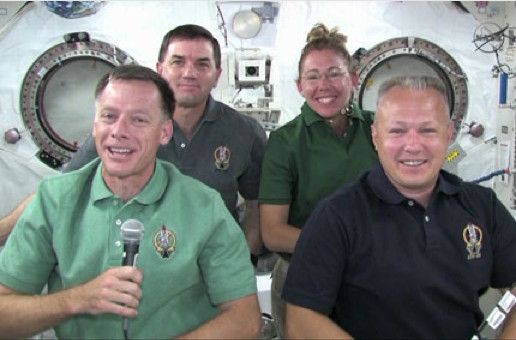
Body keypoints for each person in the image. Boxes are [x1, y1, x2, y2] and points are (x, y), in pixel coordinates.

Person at [0, 65, 261, 339]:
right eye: (109, 116)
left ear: (165, 132)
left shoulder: (204, 207)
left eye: (138, 120)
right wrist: (77, 299)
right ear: (95, 125)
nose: (119, 131)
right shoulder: (54, 200)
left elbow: (245, 319)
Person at [0, 24, 267, 258]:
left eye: (202, 64)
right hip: (134, 260)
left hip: (210, 263)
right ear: (161, 69)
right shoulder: (123, 131)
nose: (189, 73)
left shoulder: (244, 132)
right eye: (178, 62)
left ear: (217, 74)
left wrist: (240, 261)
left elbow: (257, 207)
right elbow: (56, 191)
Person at [283, 75, 516, 339]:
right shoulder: (336, 216)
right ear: (375, 137)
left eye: (428, 130)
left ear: (449, 135)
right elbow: (301, 321)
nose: (413, 146)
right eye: (397, 131)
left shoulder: (484, 207)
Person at [257, 23, 378, 338]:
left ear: (352, 79)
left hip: (374, 274)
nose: (324, 85)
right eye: (313, 76)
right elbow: (273, 233)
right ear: (300, 85)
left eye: (334, 73)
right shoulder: (285, 142)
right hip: (304, 275)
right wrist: (344, 249)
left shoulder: (378, 130)